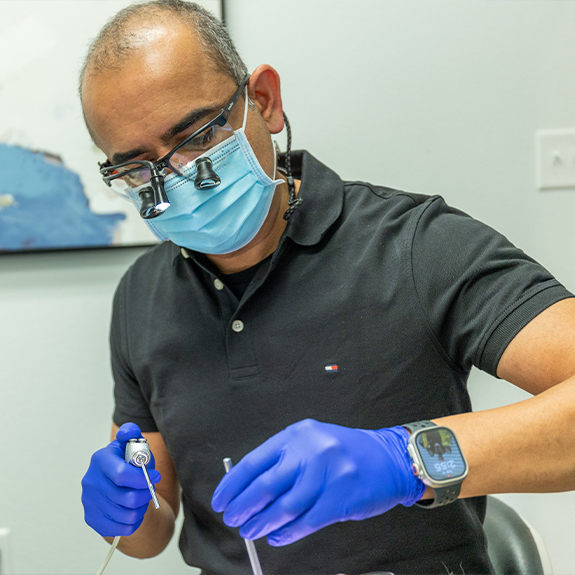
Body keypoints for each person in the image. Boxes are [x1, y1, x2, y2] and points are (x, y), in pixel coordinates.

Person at [79, 1, 575, 574]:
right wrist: (127, 511)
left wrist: (404, 459)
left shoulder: (416, 247)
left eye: (193, 135)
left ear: (262, 102)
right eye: (137, 168)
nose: (177, 179)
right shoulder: (141, 297)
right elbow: (153, 531)